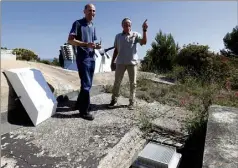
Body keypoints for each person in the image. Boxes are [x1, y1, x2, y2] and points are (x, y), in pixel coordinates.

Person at [67, 3, 101, 121]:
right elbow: (70, 40)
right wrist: (86, 44)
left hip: (92, 58)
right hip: (83, 59)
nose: (92, 13)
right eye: (90, 10)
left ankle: (78, 104)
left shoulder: (93, 26)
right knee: (86, 84)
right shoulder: (77, 23)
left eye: (94, 11)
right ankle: (84, 111)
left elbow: (92, 43)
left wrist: (96, 46)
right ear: (84, 11)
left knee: (86, 83)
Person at [108, 18, 148, 110]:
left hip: (132, 63)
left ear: (131, 26)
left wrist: (144, 30)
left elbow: (144, 42)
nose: (127, 26)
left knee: (133, 83)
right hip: (120, 63)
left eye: (129, 24)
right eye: (125, 24)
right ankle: (114, 100)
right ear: (122, 26)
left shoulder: (135, 35)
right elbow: (116, 50)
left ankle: (131, 102)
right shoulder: (118, 36)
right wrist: (112, 62)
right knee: (117, 82)